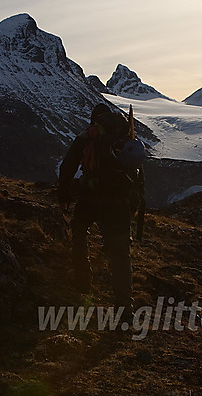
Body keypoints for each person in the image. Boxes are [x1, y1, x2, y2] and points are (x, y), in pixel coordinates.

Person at [57, 103, 146, 316]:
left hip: (90, 197)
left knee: (78, 229)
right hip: (119, 203)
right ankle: (124, 307)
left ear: (95, 120)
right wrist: (133, 205)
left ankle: (83, 280)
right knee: (121, 255)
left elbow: (68, 166)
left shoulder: (88, 135)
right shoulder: (127, 139)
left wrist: (64, 196)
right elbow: (137, 174)